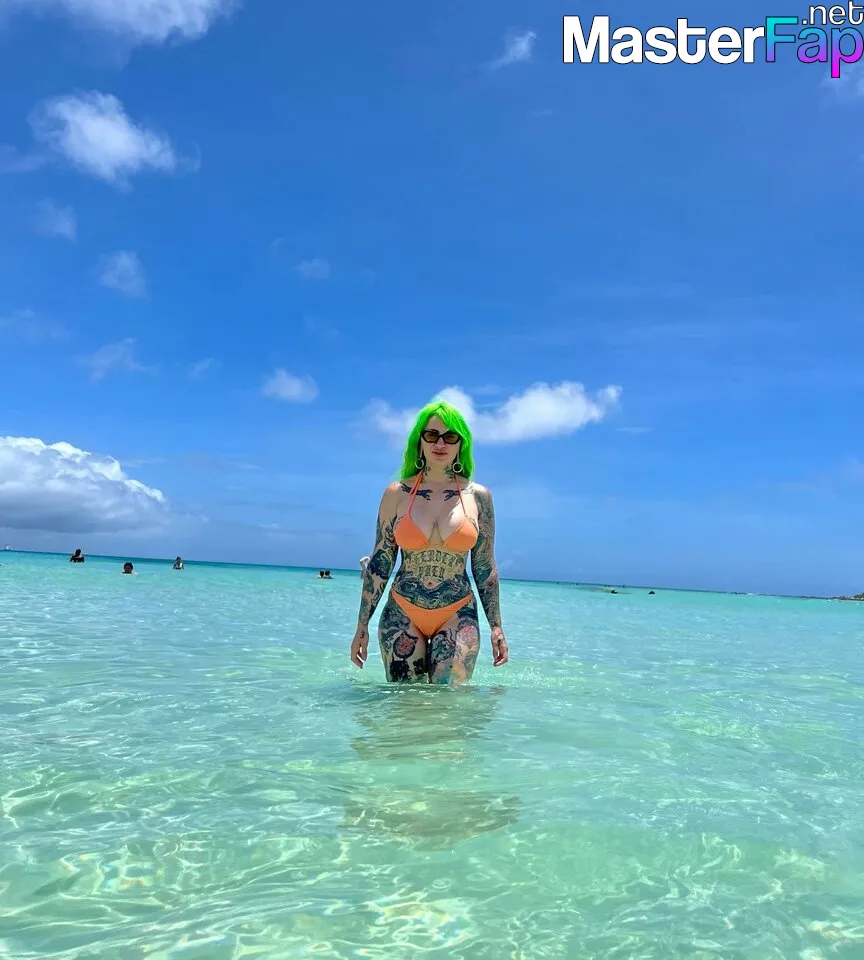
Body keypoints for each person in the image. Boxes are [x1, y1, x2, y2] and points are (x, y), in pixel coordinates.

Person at [350, 400, 508, 684]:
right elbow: (381, 562)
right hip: (402, 611)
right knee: (404, 703)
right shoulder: (397, 493)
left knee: (449, 703)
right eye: (432, 435)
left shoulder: (478, 496)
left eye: (450, 437)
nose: (440, 443)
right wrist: (362, 624)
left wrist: (496, 626)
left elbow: (484, 565)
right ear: (420, 440)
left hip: (458, 611)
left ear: (461, 444)